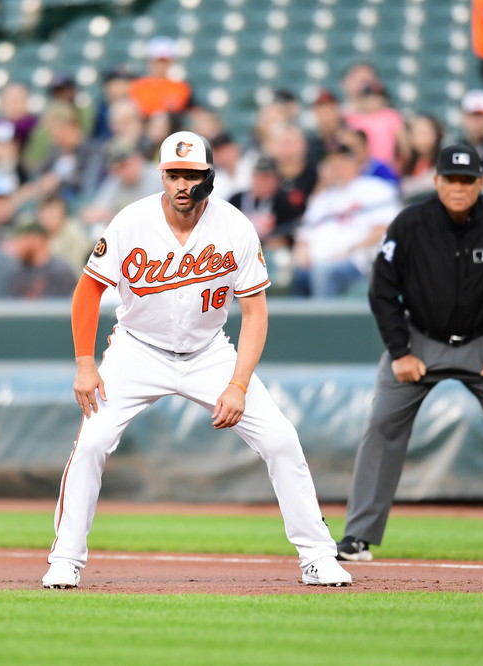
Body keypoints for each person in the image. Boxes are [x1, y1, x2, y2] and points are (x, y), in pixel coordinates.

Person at [42, 130, 352, 589]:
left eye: (192, 174)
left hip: (210, 352)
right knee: (90, 444)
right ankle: (65, 559)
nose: (182, 184)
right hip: (137, 350)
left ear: (210, 176)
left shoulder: (234, 226)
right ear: (161, 175)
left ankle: (318, 555)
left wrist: (239, 384)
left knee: (281, 439)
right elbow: (88, 290)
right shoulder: (132, 220)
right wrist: (85, 363)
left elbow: (255, 311)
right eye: (173, 174)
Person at [337, 144, 483, 562]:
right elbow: (382, 291)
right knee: (382, 426)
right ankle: (357, 537)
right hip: (419, 341)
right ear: (436, 182)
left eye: (467, 180)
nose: (458, 187)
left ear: (481, 183)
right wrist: (399, 351)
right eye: (451, 179)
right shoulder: (410, 222)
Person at [293, 145, 400, 298]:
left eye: (342, 164)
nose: (338, 170)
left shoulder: (374, 188)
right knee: (299, 273)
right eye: (334, 165)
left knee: (323, 271)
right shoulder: (323, 197)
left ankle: (323, 321)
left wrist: (350, 250)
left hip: (358, 260)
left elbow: (383, 228)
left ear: (355, 164)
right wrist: (302, 254)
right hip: (318, 261)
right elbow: (304, 234)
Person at [79, 140, 162, 229]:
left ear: (138, 158)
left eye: (124, 165)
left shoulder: (160, 177)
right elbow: (96, 211)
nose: (122, 172)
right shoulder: (116, 180)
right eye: (117, 168)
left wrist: (112, 217)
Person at [8, 219, 78, 299]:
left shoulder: (60, 271)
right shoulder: (19, 271)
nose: (18, 246)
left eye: (22, 240)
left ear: (37, 240)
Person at [127, 36, 192, 117]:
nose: (160, 66)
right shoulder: (137, 86)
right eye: (157, 62)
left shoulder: (181, 87)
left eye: (164, 62)